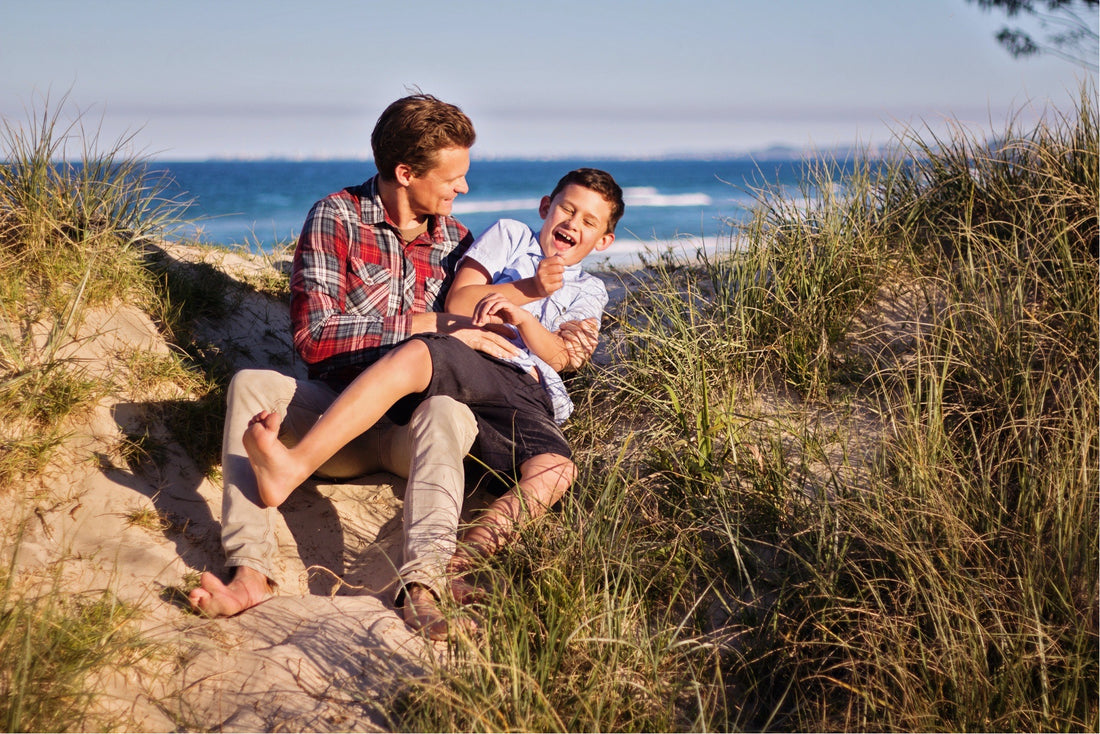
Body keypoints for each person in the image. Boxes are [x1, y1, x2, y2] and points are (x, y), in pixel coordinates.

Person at [187, 95, 599, 640]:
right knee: (250, 384)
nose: (463, 189)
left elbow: (479, 337)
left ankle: (422, 586)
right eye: (453, 177)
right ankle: (249, 572)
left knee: (447, 412)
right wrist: (426, 325)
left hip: (412, 433)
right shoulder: (336, 218)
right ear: (406, 173)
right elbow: (314, 338)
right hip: (339, 419)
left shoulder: (456, 242)